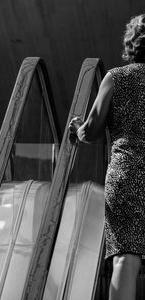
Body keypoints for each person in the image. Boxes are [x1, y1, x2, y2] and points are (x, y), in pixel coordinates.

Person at [69, 14, 145, 300]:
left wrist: (78, 129)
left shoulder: (117, 78)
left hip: (128, 175)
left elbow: (91, 131)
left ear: (132, 44)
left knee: (126, 255)